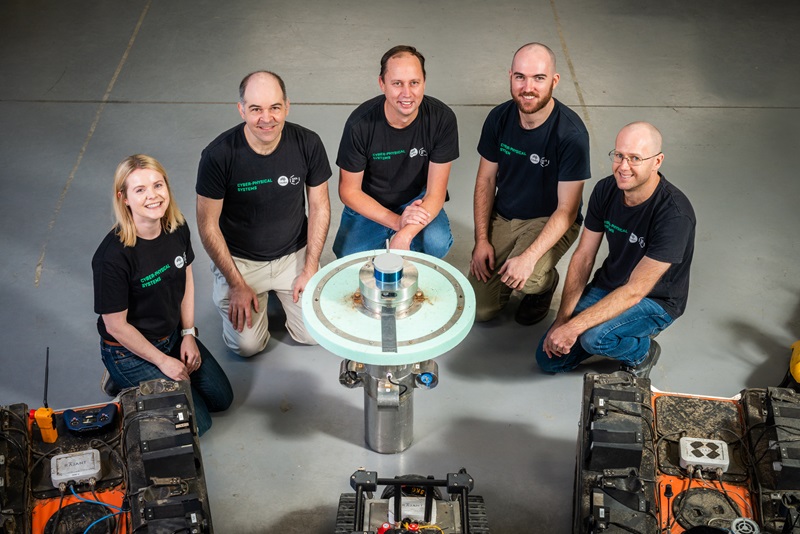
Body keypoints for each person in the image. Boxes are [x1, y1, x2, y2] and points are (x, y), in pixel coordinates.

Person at [537, 122, 696, 378]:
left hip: (655, 300)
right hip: (609, 284)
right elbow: (584, 256)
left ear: (657, 162)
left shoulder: (674, 215)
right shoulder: (605, 189)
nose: (623, 167)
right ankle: (613, 330)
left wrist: (574, 327)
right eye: (619, 155)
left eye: (635, 158)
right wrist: (562, 320)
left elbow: (635, 291)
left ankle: (642, 351)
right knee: (549, 360)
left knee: (594, 338)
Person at [92, 155, 233, 436]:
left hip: (171, 335)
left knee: (222, 399)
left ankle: (153, 382)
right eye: (140, 190)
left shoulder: (176, 228)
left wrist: (188, 334)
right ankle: (124, 382)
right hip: (128, 352)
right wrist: (163, 361)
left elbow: (186, 280)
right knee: (199, 424)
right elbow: (115, 326)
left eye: (158, 185)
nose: (153, 196)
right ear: (124, 198)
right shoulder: (112, 257)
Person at [196, 71, 331, 357]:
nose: (266, 118)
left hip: (293, 255)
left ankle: (276, 294)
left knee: (315, 334)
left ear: (287, 106)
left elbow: (319, 206)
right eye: (256, 109)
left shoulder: (308, 143)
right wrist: (236, 283)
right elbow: (207, 225)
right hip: (242, 261)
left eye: (274, 108)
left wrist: (310, 267)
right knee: (247, 347)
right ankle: (239, 289)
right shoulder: (218, 155)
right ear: (241, 109)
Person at [469, 43, 590, 325]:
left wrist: (530, 257)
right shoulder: (499, 118)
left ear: (554, 81)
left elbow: (567, 210)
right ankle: (519, 269)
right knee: (480, 310)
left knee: (528, 278)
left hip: (548, 218)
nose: (528, 87)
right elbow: (485, 180)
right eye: (520, 77)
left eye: (539, 78)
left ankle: (543, 286)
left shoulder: (570, 135)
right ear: (510, 76)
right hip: (505, 215)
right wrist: (482, 240)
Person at [332, 45, 459, 258]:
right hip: (371, 201)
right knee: (348, 256)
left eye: (414, 83)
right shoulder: (360, 124)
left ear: (424, 82)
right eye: (397, 83)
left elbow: (435, 192)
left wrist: (406, 234)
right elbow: (349, 191)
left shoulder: (442, 119)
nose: (407, 94)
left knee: (436, 243)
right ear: (382, 83)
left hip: (418, 199)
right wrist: (396, 221)